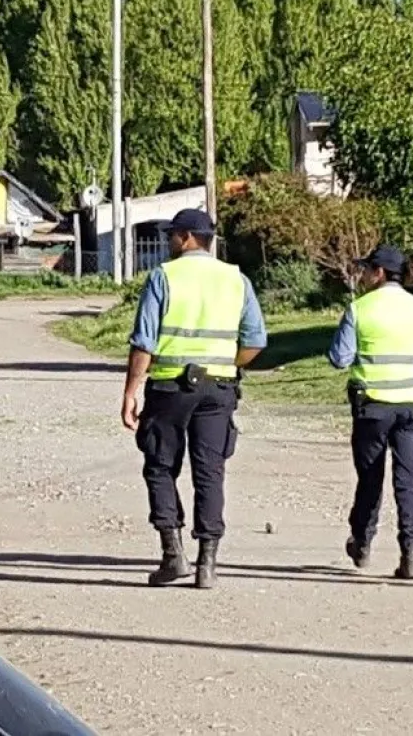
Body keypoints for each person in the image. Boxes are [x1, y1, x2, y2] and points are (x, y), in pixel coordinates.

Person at [121, 208, 267, 589]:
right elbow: (255, 341)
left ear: (186, 237)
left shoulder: (164, 277)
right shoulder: (237, 279)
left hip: (169, 386)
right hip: (218, 387)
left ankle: (173, 555)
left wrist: (130, 392)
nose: (170, 241)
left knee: (160, 466)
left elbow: (144, 342)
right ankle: (207, 564)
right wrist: (226, 365)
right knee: (210, 471)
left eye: (173, 235)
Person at [327, 245, 413, 580]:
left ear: (379, 273)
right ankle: (410, 551)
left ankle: (363, 542)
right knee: (407, 479)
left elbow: (340, 358)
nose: (363, 275)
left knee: (370, 478)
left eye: (367, 269)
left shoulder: (359, 309)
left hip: (372, 407)